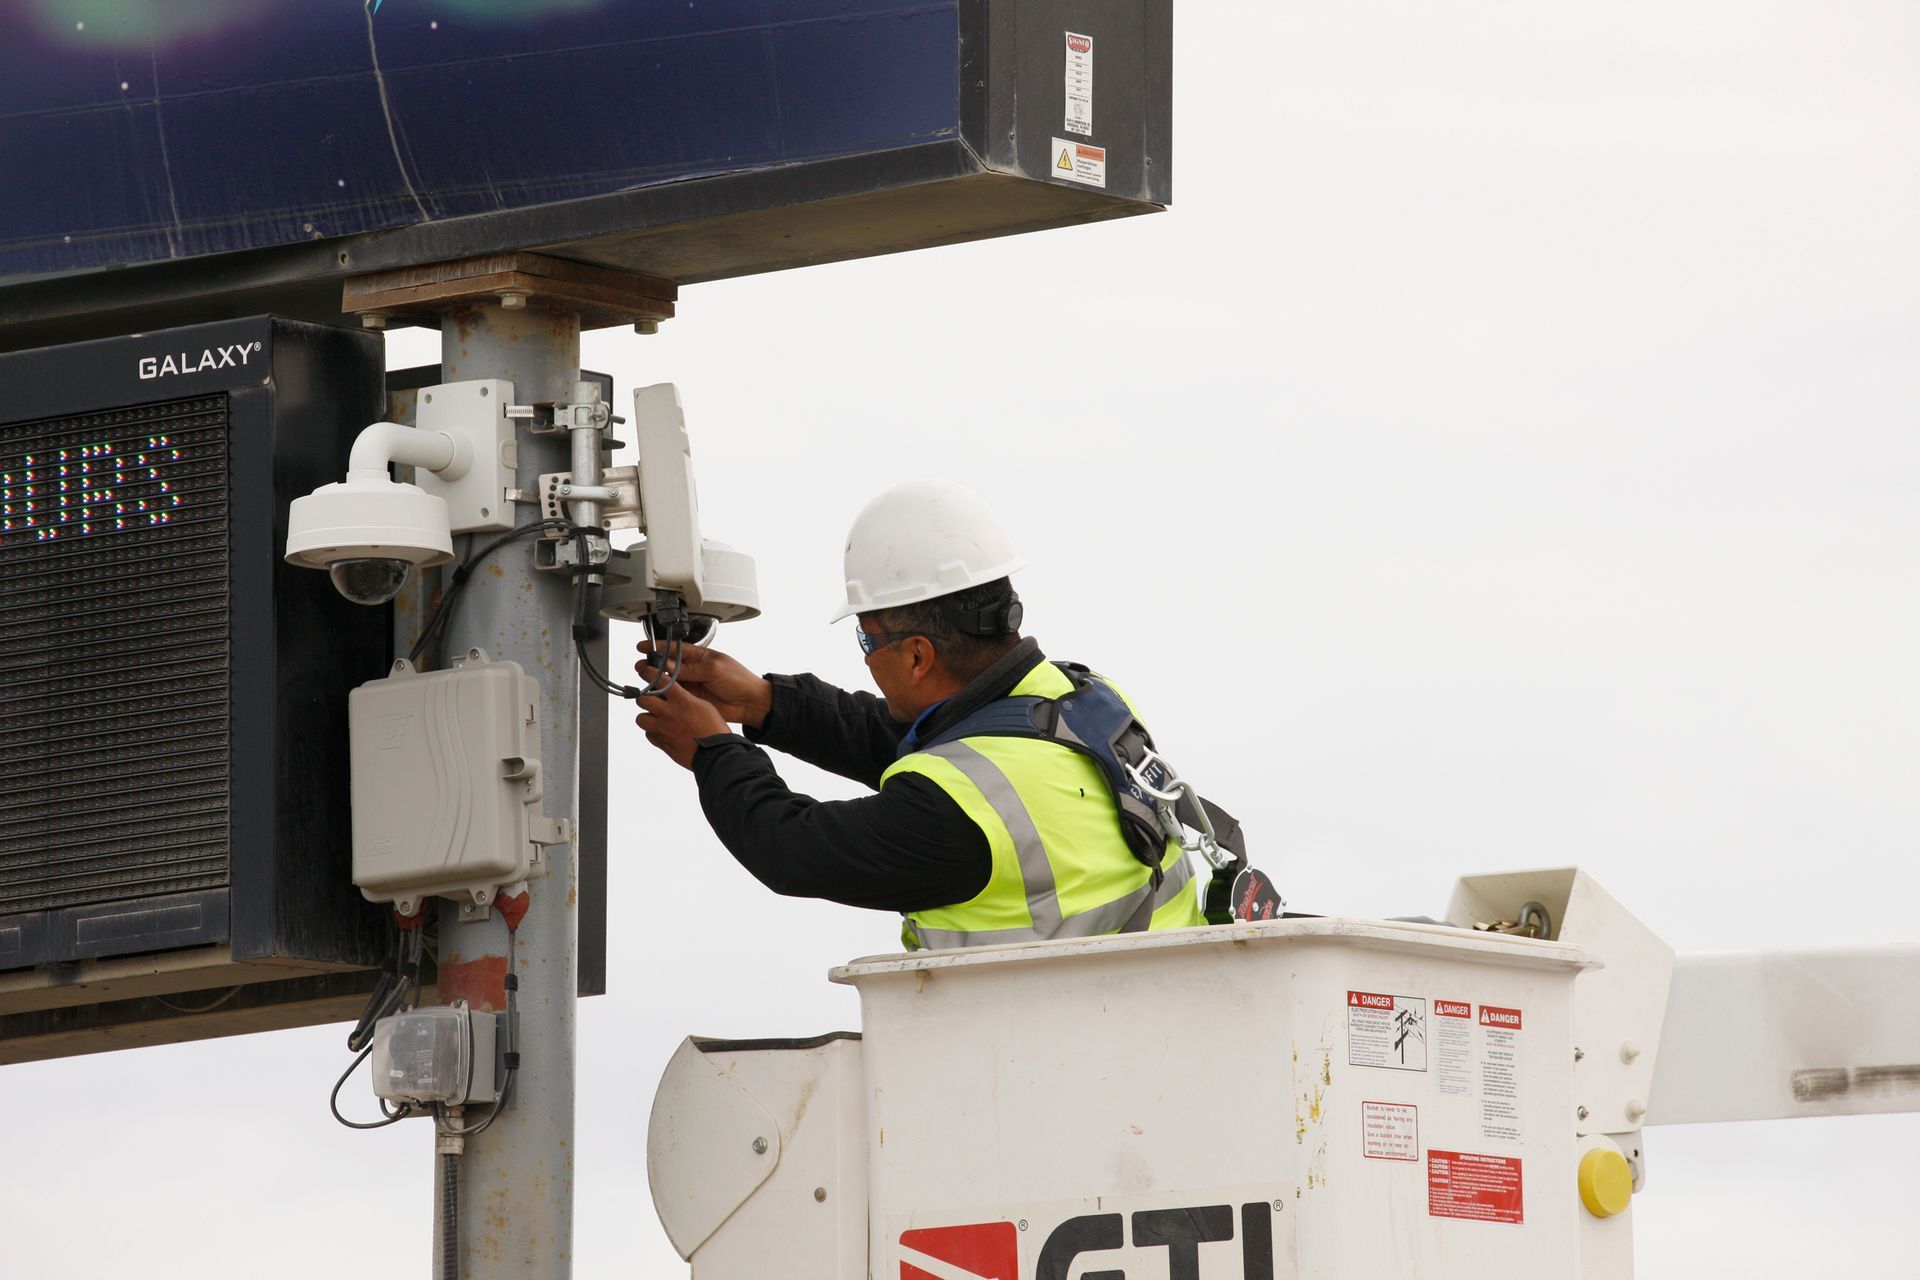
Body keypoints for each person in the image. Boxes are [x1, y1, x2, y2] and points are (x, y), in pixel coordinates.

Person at [632, 479, 1207, 950]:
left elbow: (791, 848)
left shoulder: (953, 816)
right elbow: (939, 743)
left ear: (917, 653)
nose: (866, 657)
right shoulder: (1081, 697)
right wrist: (765, 703)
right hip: (1161, 1014)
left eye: (867, 638)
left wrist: (713, 752)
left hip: (1058, 1059)